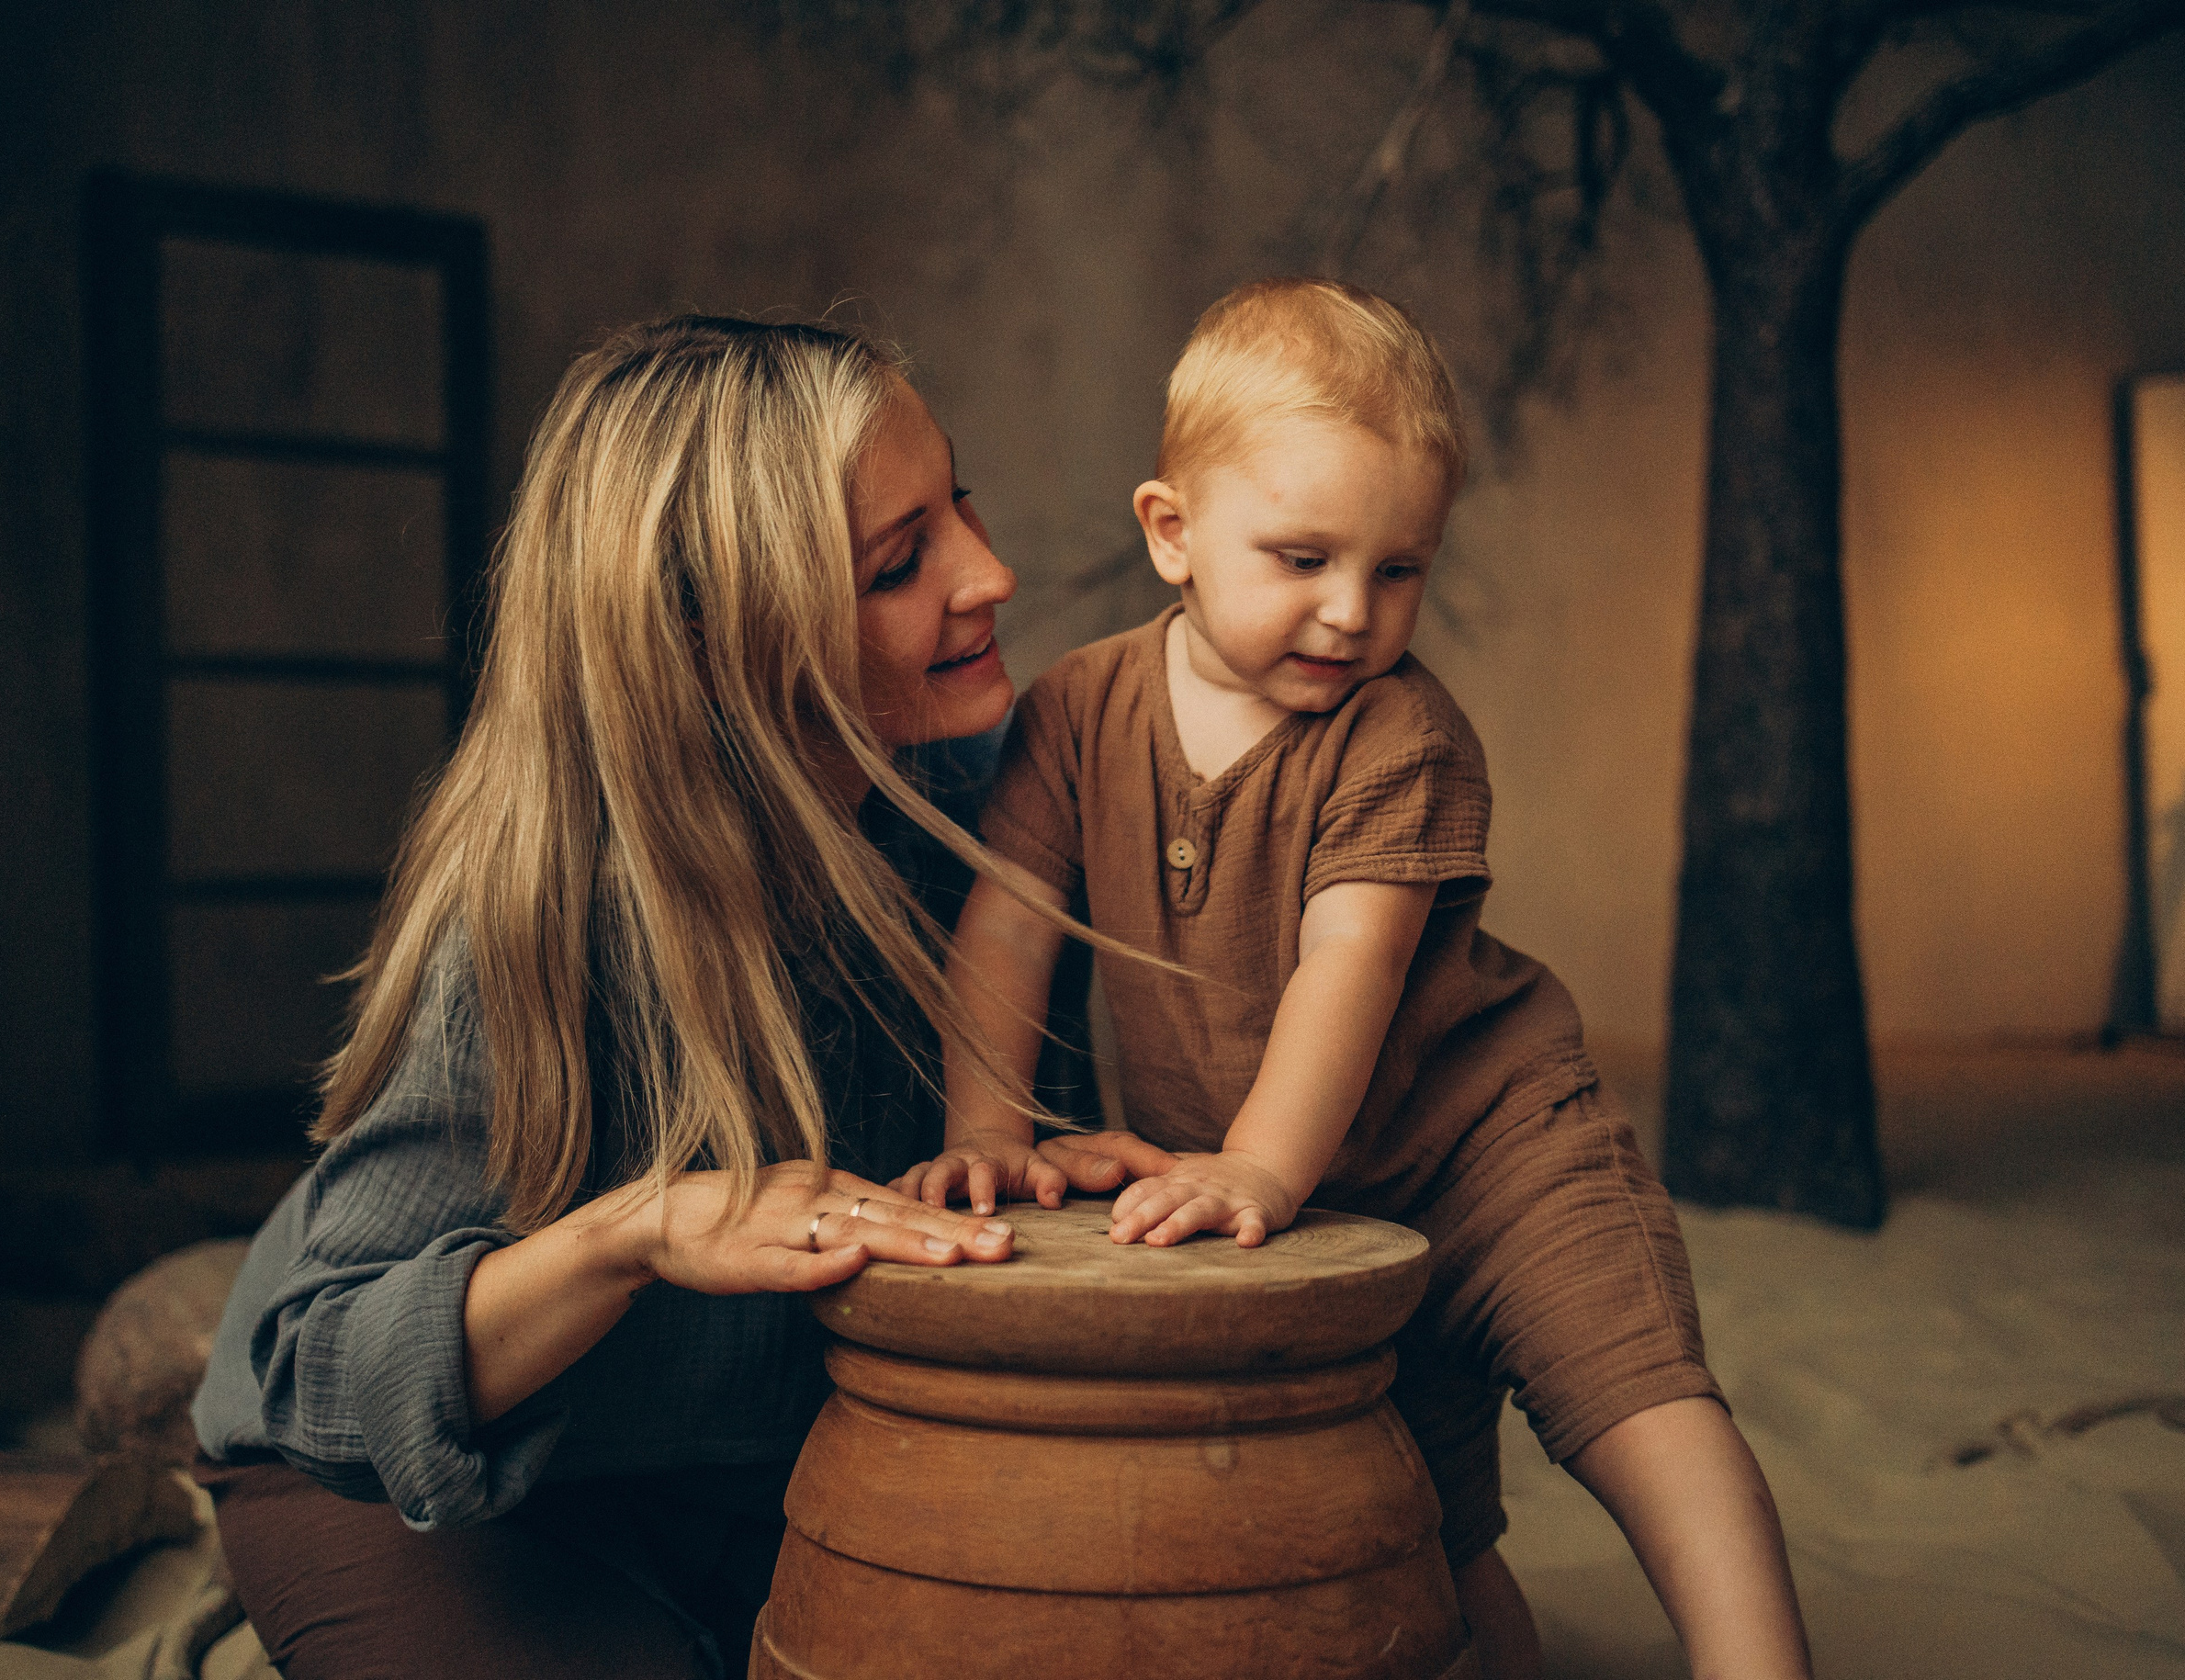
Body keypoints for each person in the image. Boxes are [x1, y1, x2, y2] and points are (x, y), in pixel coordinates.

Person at [188, 315, 1164, 1680]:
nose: (991, 573)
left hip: (789, 1464)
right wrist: (631, 1235)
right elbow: (323, 1373)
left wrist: (1053, 1178)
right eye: (902, 561)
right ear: (717, 639)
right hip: (447, 1496)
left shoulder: (996, 804)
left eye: (961, 503)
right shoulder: (537, 912)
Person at [895, 277, 1815, 1680]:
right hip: (1321, 1197)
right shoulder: (1080, 712)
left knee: (1632, 1398)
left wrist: (1257, 1168)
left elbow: (1351, 959)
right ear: (1173, 532)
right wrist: (986, 1129)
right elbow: (1011, 925)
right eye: (1304, 556)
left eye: (1400, 570)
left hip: (1491, 1145)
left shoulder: (1402, 738)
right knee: (1425, 1525)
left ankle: (1758, 1662)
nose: (1350, 612)